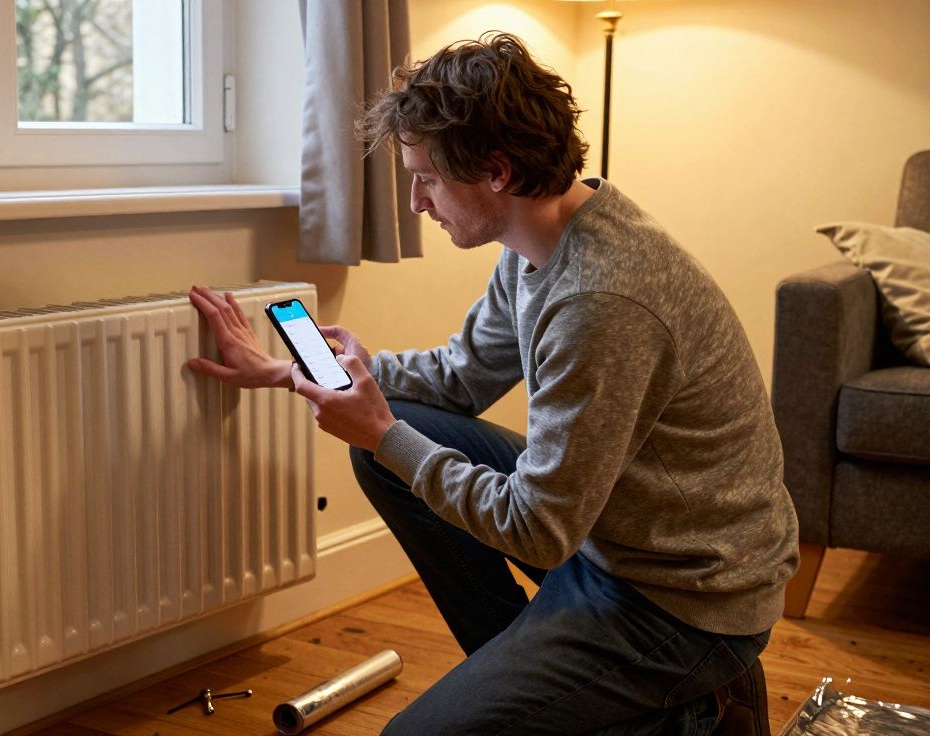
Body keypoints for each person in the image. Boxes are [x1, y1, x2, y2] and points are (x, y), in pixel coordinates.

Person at [187, 31, 798, 735]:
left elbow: (538, 531)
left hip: (685, 599)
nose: (417, 200)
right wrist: (290, 373)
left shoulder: (602, 302)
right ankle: (541, 684)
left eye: (429, 178)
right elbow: (458, 377)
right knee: (388, 452)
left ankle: (692, 705)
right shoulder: (545, 236)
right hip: (610, 535)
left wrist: (384, 432)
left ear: (498, 172)